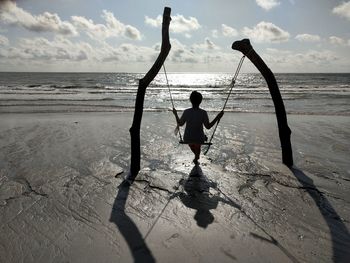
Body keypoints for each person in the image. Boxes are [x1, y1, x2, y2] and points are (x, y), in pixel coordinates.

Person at [172, 91, 224, 165]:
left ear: (190, 100)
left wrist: (175, 114)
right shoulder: (203, 112)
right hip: (199, 138)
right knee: (198, 143)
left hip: (187, 138)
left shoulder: (187, 112)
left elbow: (180, 124)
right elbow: (208, 126)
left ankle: (196, 156)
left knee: (192, 144)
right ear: (201, 101)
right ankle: (197, 156)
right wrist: (217, 117)